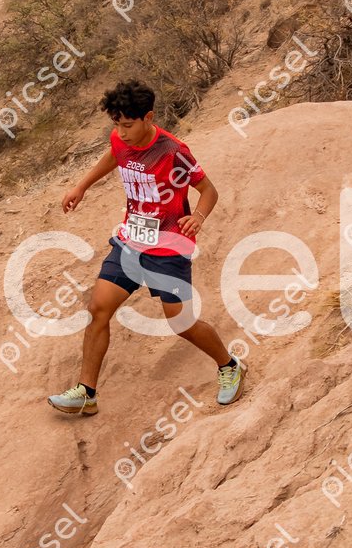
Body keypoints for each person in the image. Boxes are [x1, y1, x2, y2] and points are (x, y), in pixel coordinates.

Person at [47, 79, 244, 416]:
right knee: (98, 308)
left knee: (181, 323)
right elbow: (114, 155)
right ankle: (86, 393)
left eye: (128, 125)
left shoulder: (173, 151)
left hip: (169, 247)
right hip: (131, 240)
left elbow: (208, 190)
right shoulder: (119, 139)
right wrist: (81, 186)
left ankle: (229, 366)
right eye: (116, 124)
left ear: (148, 117)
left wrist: (197, 217)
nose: (121, 133)